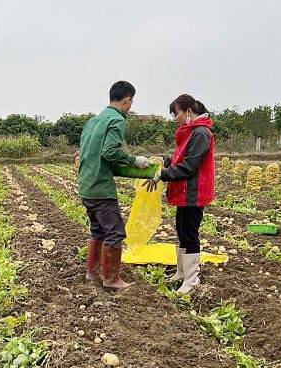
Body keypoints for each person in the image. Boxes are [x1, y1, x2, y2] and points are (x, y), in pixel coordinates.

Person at [78, 80, 152, 289]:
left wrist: (139, 171)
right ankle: (111, 279)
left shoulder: (92, 121)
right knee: (115, 231)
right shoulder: (116, 120)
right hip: (101, 188)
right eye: (131, 102)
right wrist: (133, 160)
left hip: (86, 185)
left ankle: (92, 273)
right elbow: (109, 152)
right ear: (127, 100)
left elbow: (98, 158)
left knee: (98, 230)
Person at [151, 94, 215, 294]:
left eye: (176, 113)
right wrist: (166, 161)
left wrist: (162, 174)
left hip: (194, 192)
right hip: (185, 192)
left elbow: (189, 166)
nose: (175, 118)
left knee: (189, 234)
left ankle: (192, 280)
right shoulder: (190, 132)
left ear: (188, 111)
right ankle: (181, 272)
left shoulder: (201, 133)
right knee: (181, 230)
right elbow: (181, 159)